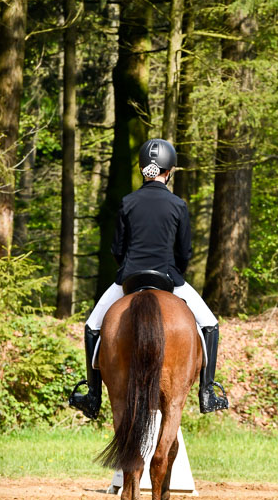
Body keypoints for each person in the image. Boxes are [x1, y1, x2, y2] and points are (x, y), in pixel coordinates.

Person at [69, 138, 229, 420]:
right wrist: (175, 273)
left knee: (93, 326)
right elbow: (185, 252)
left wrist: (128, 271)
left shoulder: (128, 202)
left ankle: (92, 395)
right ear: (169, 171)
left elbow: (117, 249)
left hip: (129, 278)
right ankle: (208, 392)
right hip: (169, 277)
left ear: (145, 169)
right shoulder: (178, 205)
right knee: (210, 324)